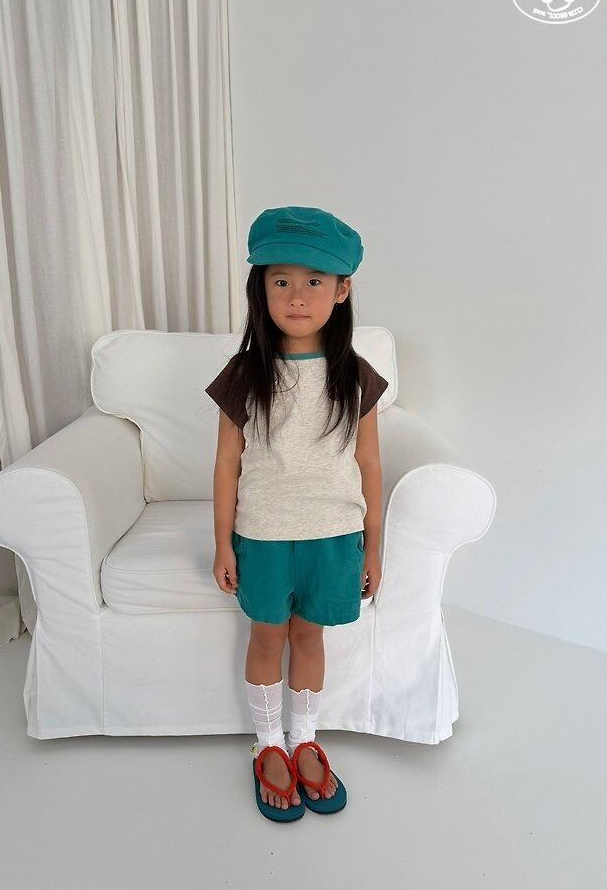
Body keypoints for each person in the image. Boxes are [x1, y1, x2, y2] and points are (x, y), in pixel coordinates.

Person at [204, 206, 389, 822]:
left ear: (342, 290)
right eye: (280, 280)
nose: (297, 296)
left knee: (309, 636)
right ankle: (268, 745)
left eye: (314, 280)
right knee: (268, 636)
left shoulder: (355, 377)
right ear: (260, 288)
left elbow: (369, 465)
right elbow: (227, 463)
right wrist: (223, 543)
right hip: (263, 534)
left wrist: (374, 549)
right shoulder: (244, 375)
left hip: (334, 536)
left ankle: (305, 738)